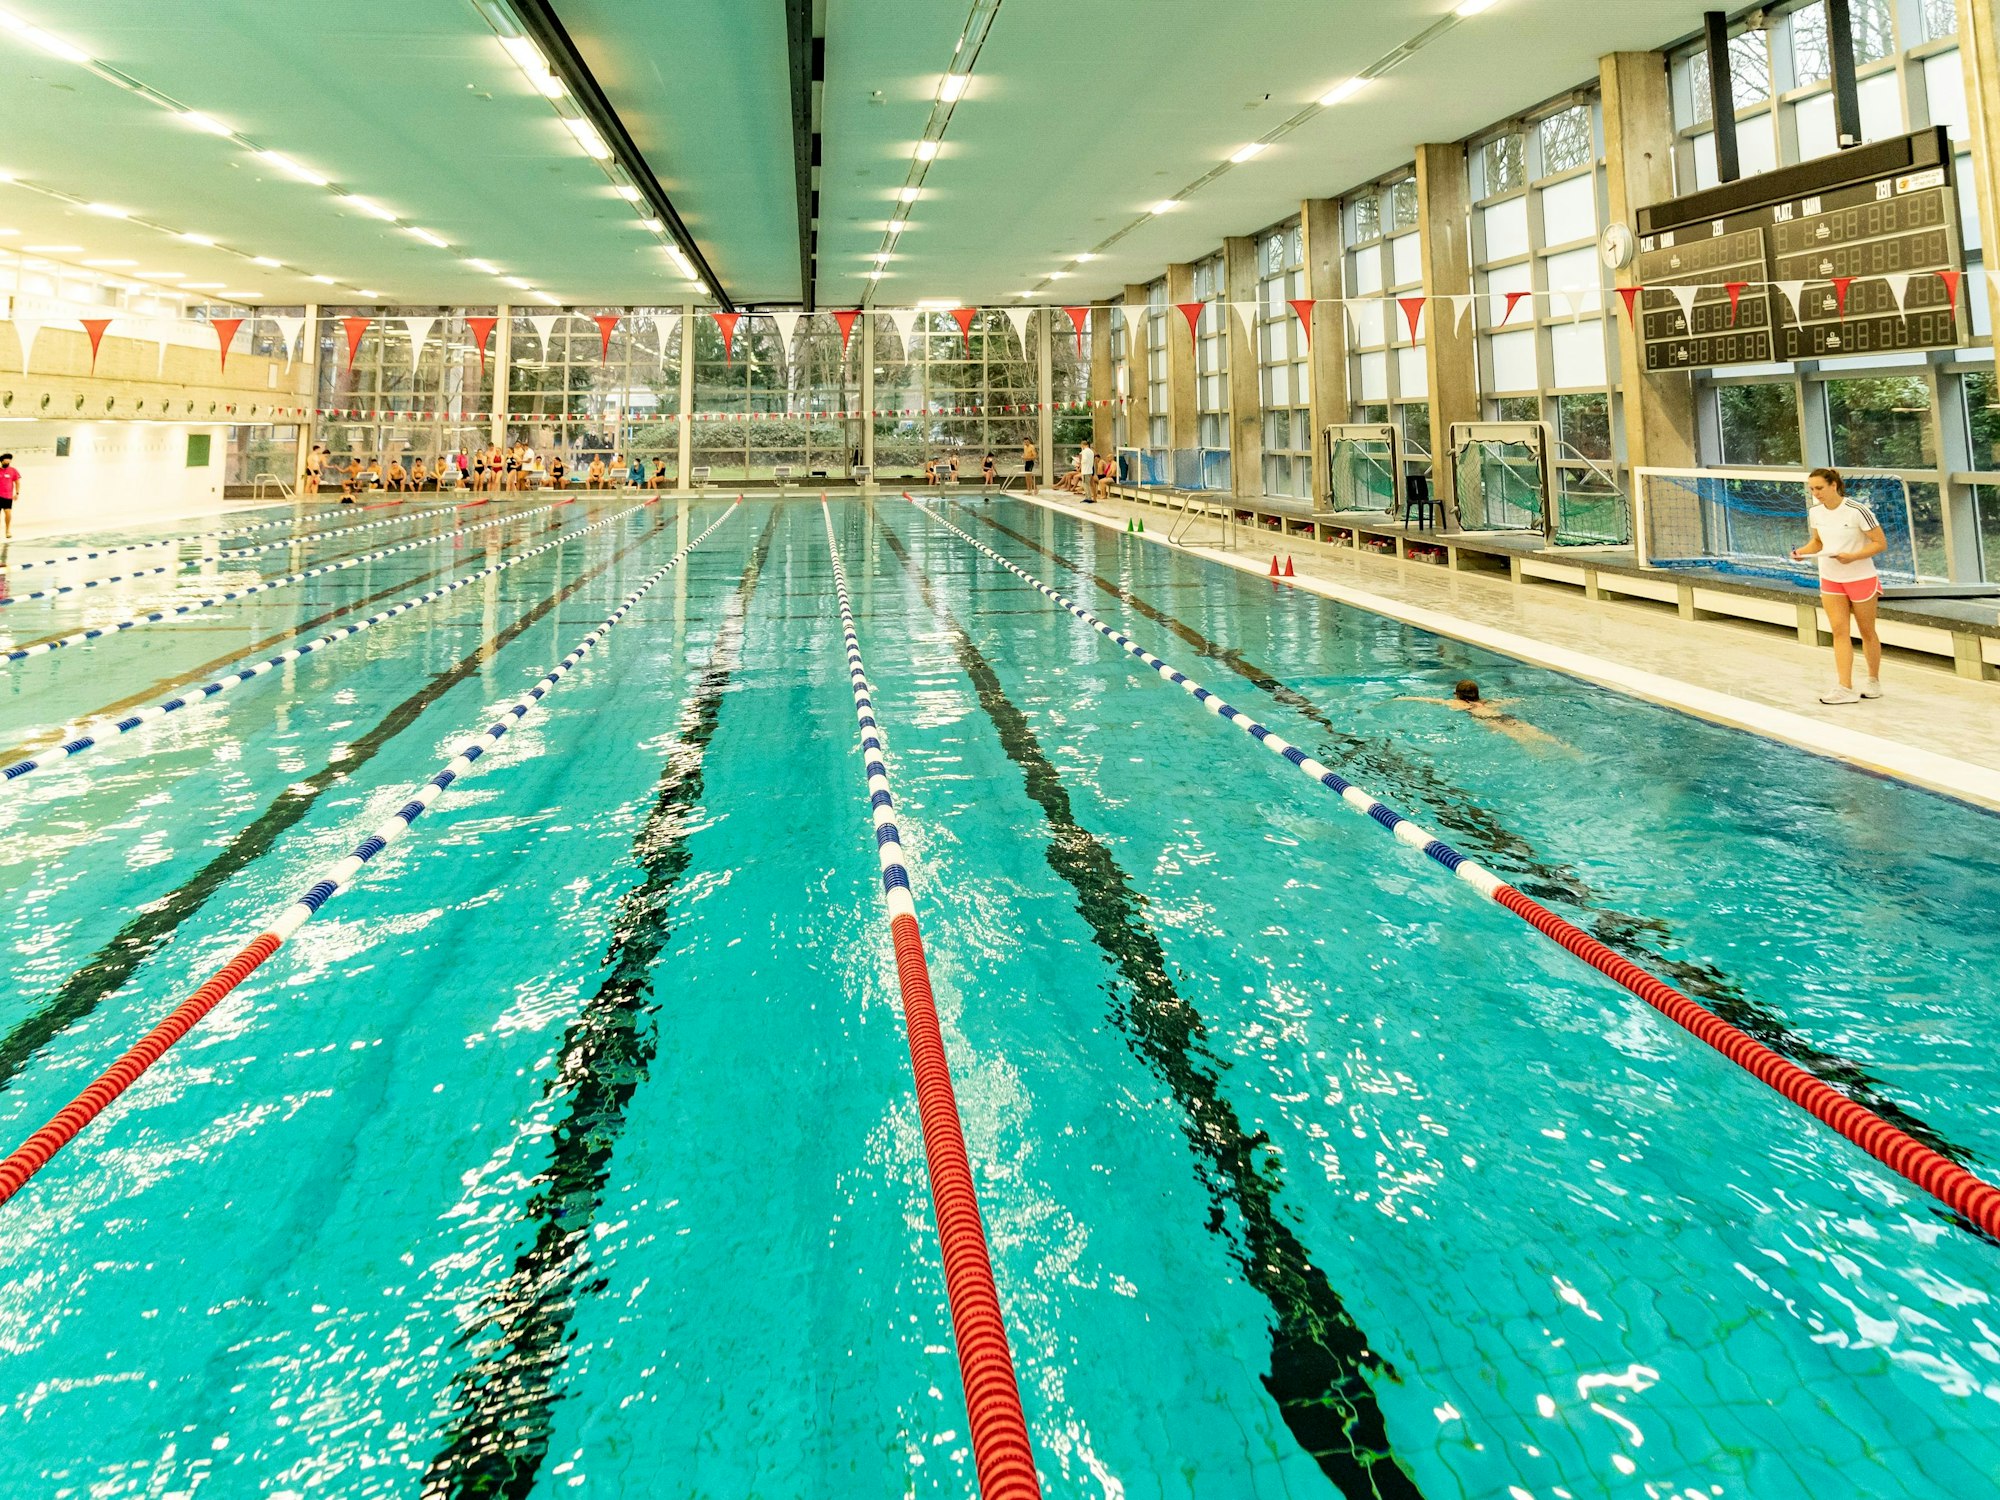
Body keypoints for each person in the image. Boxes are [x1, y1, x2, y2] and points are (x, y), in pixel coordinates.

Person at [1790, 466, 1886, 704]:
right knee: (1839, 631)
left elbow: (1879, 543)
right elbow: (1817, 541)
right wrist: (1802, 552)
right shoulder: (1815, 512)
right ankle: (1845, 686)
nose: (1816, 493)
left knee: (1867, 631)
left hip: (1861, 578)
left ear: (1834, 485)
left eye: (1820, 488)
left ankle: (1873, 680)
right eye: (1812, 489)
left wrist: (1853, 556)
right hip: (1831, 579)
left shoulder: (1857, 510)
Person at [1399, 679, 1562, 749]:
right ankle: (1570, 751)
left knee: (1525, 742)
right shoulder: (1486, 702)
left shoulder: (1458, 704)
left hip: (1488, 721)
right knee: (1537, 734)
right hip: (1503, 716)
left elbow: (1427, 699)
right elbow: (1510, 701)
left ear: (1456, 694)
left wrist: (1402, 699)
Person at [0, 453, 18, 538]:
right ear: (2, 460)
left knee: (8, 513)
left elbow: (17, 482)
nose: (8, 460)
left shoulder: (13, 470)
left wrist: (17, 493)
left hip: (7, 496)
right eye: (6, 458)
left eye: (9, 459)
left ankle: (7, 531)